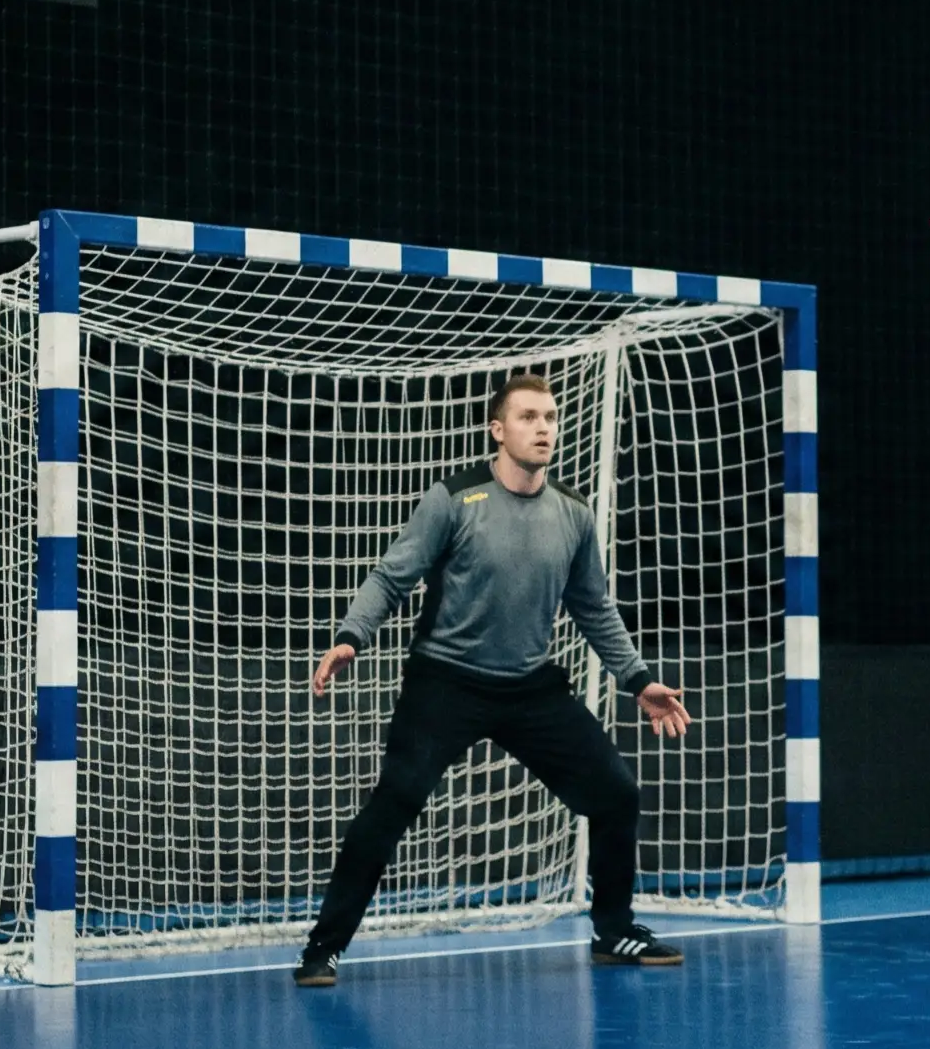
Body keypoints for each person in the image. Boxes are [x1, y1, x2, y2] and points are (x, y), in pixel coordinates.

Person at [295, 373, 693, 986]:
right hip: (445, 683)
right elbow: (390, 577)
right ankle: (323, 948)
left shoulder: (573, 514)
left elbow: (594, 607)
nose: (543, 428)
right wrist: (351, 636)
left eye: (550, 418)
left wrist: (638, 680)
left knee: (616, 793)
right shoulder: (454, 499)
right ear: (497, 429)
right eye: (529, 417)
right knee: (393, 804)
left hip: (531, 688)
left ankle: (614, 932)